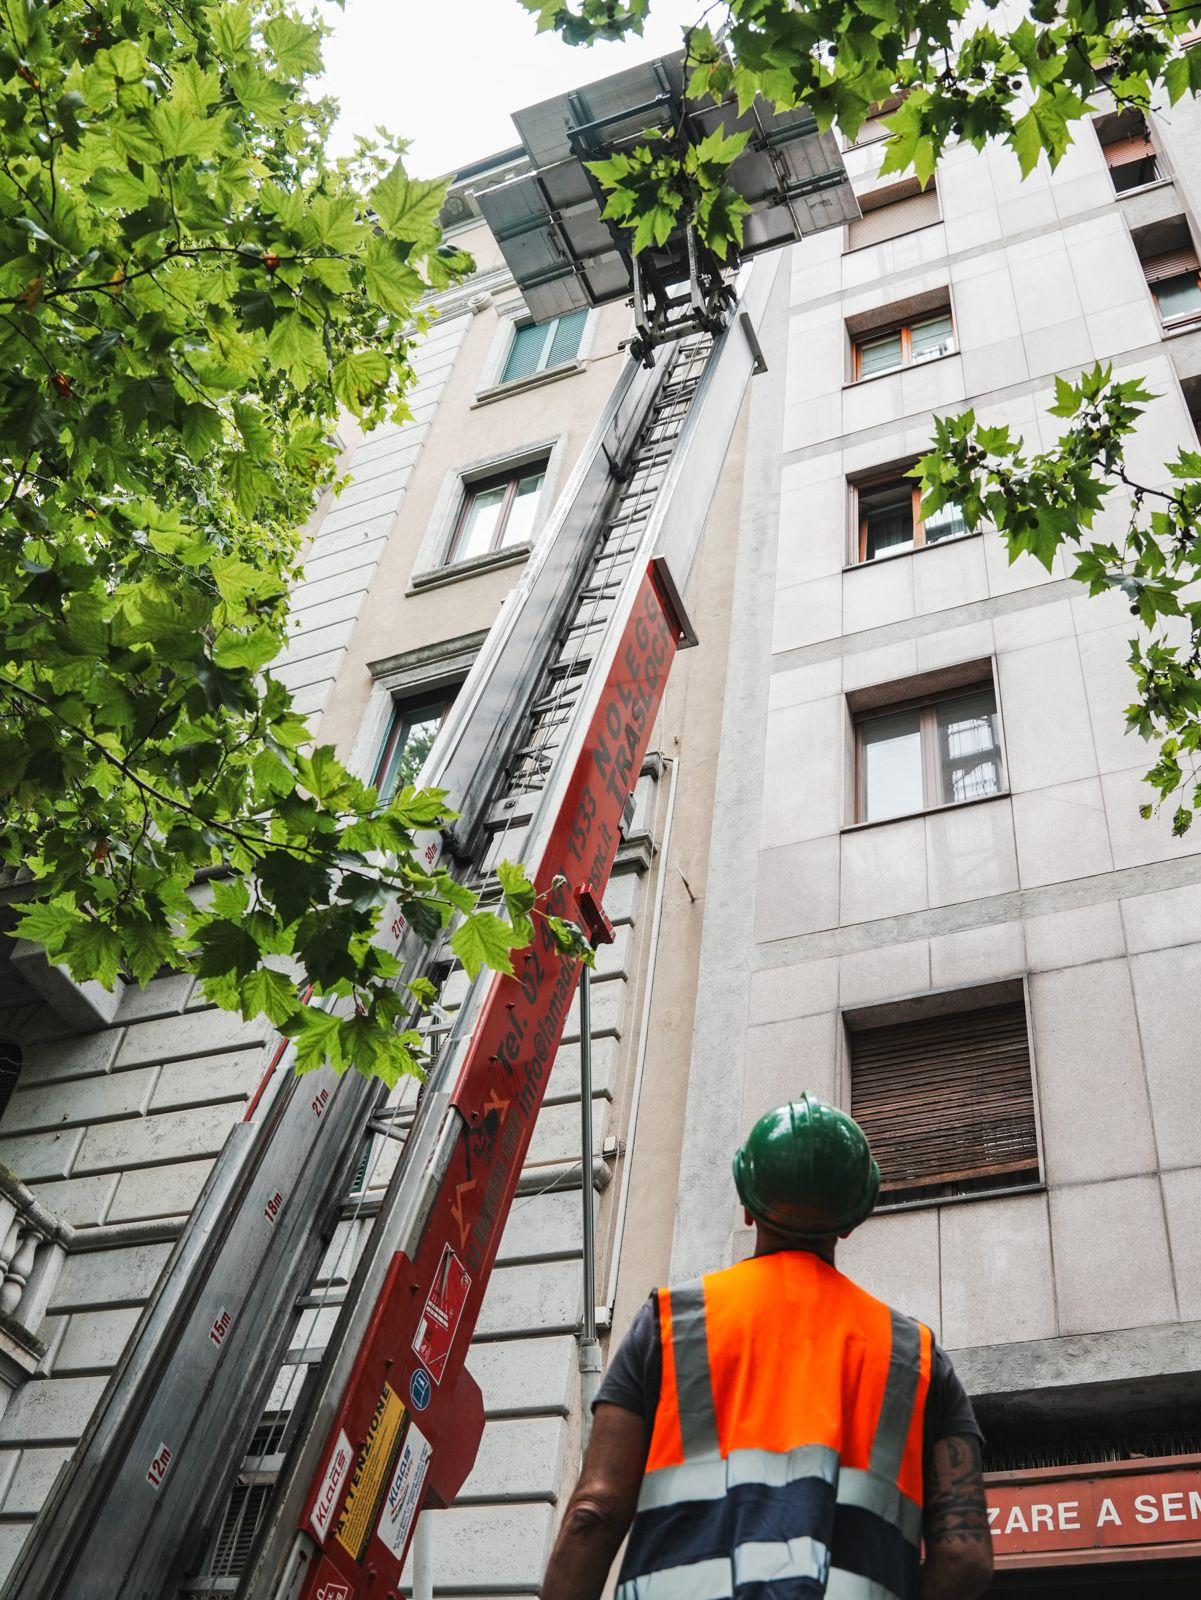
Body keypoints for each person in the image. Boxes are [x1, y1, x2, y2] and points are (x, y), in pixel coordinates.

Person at [540, 1095, 994, 1600]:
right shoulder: (917, 1356)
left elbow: (594, 1513)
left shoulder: (671, 1324)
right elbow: (964, 1557)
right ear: (854, 1217)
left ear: (749, 1206)